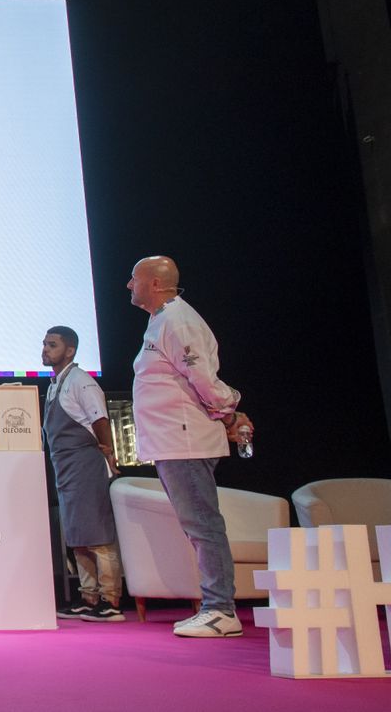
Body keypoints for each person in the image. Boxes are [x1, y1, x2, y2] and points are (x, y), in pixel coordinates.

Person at [127, 255, 254, 639]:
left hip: (186, 440)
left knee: (203, 525)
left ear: (154, 283)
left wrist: (230, 412)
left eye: (134, 280)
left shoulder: (178, 320)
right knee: (197, 525)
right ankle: (216, 606)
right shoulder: (162, 319)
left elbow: (202, 376)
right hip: (172, 441)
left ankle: (221, 610)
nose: (129, 286)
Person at [40, 326, 123, 623]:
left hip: (86, 464)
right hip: (65, 466)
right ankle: (89, 597)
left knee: (98, 533)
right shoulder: (54, 384)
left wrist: (109, 454)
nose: (45, 349)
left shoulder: (81, 381)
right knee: (78, 534)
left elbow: (100, 420)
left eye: (52, 345)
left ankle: (111, 600)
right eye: (45, 344)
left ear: (70, 350)